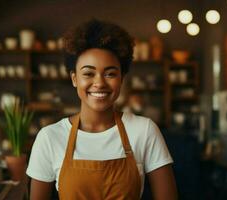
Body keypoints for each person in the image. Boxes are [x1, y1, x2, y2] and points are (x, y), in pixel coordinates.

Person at [27, 19, 178, 200]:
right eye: (88, 73)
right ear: (74, 79)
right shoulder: (50, 137)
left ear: (121, 78)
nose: (99, 83)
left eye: (110, 73)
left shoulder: (144, 130)